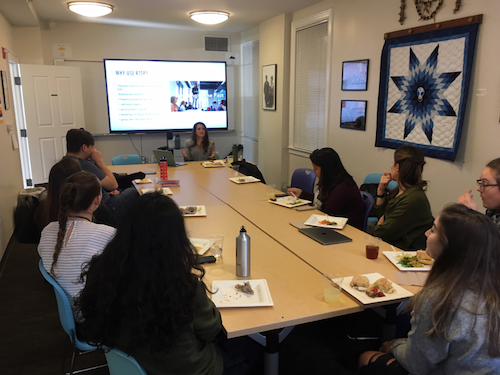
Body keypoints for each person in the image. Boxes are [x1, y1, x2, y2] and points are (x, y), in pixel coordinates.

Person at [76, 193, 260, 375]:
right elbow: (212, 329)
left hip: (136, 361)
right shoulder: (179, 286)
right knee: (252, 345)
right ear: (176, 239)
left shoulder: (104, 271)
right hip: (190, 369)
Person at [358, 204, 500, 374]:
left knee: (366, 357)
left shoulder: (440, 297)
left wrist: (394, 345)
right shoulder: (491, 288)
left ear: (449, 246)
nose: (426, 233)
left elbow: (417, 365)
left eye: (433, 230)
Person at [38, 171, 116, 316]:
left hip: (69, 314)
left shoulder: (47, 231)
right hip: (96, 317)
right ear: (98, 200)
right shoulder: (108, 234)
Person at [65, 128, 138, 223]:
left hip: (88, 205)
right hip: (105, 208)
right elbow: (113, 185)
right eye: (93, 147)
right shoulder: (85, 164)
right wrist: (99, 161)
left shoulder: (64, 164)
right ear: (84, 148)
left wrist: (107, 193)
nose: (95, 150)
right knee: (134, 190)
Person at [371, 145, 433, 250]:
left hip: (402, 254)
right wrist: (380, 191)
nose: (390, 166)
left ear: (397, 167)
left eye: (392, 163)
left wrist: (381, 222)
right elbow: (381, 216)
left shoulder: (413, 199)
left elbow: (380, 233)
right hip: (390, 248)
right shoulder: (401, 191)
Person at [287, 148, 365, 229]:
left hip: (347, 231)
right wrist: (302, 194)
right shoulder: (330, 181)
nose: (314, 171)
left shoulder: (342, 188)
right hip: (330, 225)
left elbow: (327, 212)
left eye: (316, 168)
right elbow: (322, 201)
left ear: (327, 170)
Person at [458, 158, 500, 227]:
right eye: (481, 182)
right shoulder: (493, 211)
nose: (478, 188)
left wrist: (470, 217)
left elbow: (486, 237)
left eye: (485, 183)